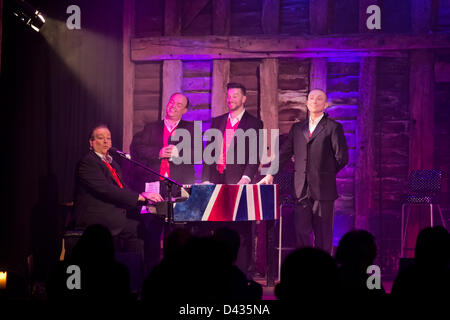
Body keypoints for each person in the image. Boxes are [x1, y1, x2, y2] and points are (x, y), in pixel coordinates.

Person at [259, 89, 348, 254]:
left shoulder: (333, 127)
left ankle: (323, 270)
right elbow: (284, 153)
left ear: (325, 105)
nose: (314, 101)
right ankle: (305, 270)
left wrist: (325, 173)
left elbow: (341, 158)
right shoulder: (298, 128)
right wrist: (270, 174)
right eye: (311, 98)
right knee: (301, 232)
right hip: (301, 189)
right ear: (307, 103)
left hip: (323, 189)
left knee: (323, 234)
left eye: (319, 99)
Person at [201, 82, 264, 275]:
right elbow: (208, 154)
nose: (231, 99)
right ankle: (218, 270)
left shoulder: (254, 123)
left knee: (241, 227)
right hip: (216, 179)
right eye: (228, 96)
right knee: (217, 225)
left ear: (244, 99)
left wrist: (246, 177)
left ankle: (243, 272)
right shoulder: (217, 121)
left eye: (235, 95)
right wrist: (205, 178)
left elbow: (255, 154)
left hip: (239, 181)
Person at [129, 93, 196, 271]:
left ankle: (176, 272)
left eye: (179, 104)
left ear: (185, 110)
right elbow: (137, 149)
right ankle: (150, 274)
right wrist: (159, 152)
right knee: (152, 231)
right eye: (172, 102)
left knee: (176, 234)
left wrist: (179, 153)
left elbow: (198, 153)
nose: (173, 106)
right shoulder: (151, 128)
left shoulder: (191, 129)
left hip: (176, 187)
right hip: (154, 186)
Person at [72, 125, 163, 250]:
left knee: (146, 224)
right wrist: (139, 197)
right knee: (138, 228)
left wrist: (143, 196)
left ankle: (140, 267)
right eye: (100, 138)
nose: (106, 141)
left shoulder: (112, 163)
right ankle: (136, 268)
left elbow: (122, 188)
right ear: (91, 142)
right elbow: (106, 189)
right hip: (97, 218)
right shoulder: (88, 162)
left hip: (113, 214)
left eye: (108, 138)